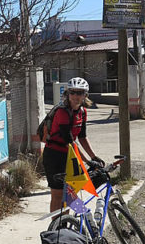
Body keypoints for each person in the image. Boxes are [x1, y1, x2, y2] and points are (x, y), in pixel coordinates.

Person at [41, 77, 104, 212]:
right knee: (57, 194)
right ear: (67, 94)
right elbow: (69, 142)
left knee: (69, 193)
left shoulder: (82, 112)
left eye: (79, 93)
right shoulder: (62, 112)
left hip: (69, 156)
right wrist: (87, 161)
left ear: (85, 95)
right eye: (72, 92)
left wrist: (94, 157)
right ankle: (57, 228)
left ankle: (67, 224)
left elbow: (82, 137)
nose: (75, 96)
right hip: (54, 156)